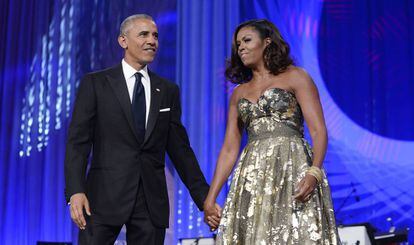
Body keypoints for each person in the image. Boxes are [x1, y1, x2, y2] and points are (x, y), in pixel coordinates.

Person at [65, 14, 218, 244]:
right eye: (144, 34)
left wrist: (205, 199)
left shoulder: (167, 90)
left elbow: (181, 151)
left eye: (155, 35)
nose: (152, 41)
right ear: (123, 41)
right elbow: (78, 143)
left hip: (150, 202)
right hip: (103, 198)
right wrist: (75, 191)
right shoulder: (96, 83)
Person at [203, 19, 341, 244]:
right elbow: (229, 148)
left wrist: (314, 172)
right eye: (238, 44)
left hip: (292, 167)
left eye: (247, 40)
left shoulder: (296, 76)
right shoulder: (239, 93)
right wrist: (211, 197)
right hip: (252, 175)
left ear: (267, 42)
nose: (241, 48)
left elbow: (318, 130)